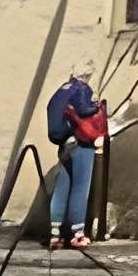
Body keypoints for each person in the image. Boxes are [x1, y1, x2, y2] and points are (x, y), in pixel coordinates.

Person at [43, 68, 107, 248]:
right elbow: (84, 110)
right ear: (87, 75)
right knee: (80, 187)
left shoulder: (63, 90)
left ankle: (55, 235)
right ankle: (77, 234)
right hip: (81, 144)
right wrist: (96, 106)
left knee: (62, 187)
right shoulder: (82, 89)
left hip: (64, 143)